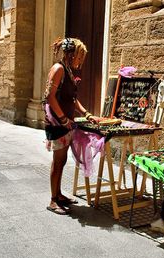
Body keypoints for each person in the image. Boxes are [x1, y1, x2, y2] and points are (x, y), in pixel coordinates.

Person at [43, 37, 98, 215]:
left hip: (66, 123)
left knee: (62, 160)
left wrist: (87, 114)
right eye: (79, 56)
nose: (81, 60)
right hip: (57, 124)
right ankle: (53, 200)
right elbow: (49, 96)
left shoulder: (68, 71)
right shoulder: (58, 69)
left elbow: (72, 99)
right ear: (71, 54)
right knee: (58, 161)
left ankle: (58, 195)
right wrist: (63, 119)